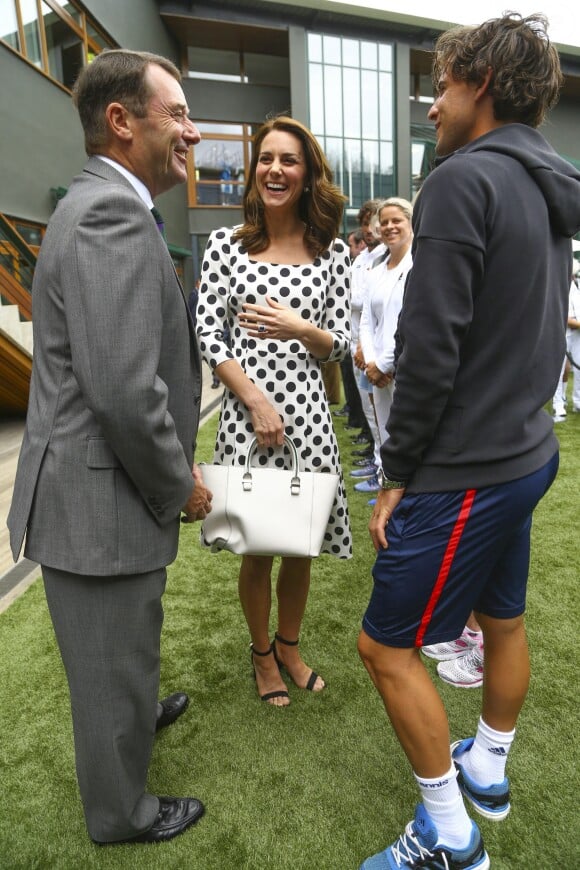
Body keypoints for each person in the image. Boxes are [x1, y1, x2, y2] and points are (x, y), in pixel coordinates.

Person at [357, 13, 580, 870]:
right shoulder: (548, 185)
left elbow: (432, 346)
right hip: (528, 453)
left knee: (386, 645)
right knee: (505, 619)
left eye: (443, 85)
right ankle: (487, 769)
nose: (433, 105)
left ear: (480, 84)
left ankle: (450, 833)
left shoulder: (458, 180)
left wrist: (395, 472)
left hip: (471, 465)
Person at [7, 49, 213, 846]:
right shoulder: (109, 212)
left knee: (124, 644)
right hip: (99, 497)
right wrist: (180, 486)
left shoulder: (108, 204)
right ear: (122, 123)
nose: (192, 132)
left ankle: (131, 711)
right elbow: (126, 392)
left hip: (97, 490)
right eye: (179, 114)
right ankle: (122, 814)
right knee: (108, 659)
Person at [196, 115, 352, 707]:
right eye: (266, 158)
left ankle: (290, 645)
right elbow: (209, 334)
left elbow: (340, 341)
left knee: (301, 543)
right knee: (259, 545)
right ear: (254, 169)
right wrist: (256, 400)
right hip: (247, 419)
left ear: (308, 174)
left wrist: (299, 327)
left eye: (288, 160)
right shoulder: (225, 246)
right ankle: (262, 655)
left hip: (310, 421)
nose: (275, 170)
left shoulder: (331, 254)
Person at [352, 198, 414, 495]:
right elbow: (366, 320)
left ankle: (408, 493)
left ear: (411, 223)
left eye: (396, 221)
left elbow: (410, 321)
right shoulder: (376, 271)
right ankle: (386, 487)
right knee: (384, 433)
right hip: (377, 368)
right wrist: (373, 362)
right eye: (384, 222)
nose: (389, 227)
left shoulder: (420, 265)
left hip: (405, 367)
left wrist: (385, 363)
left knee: (407, 435)